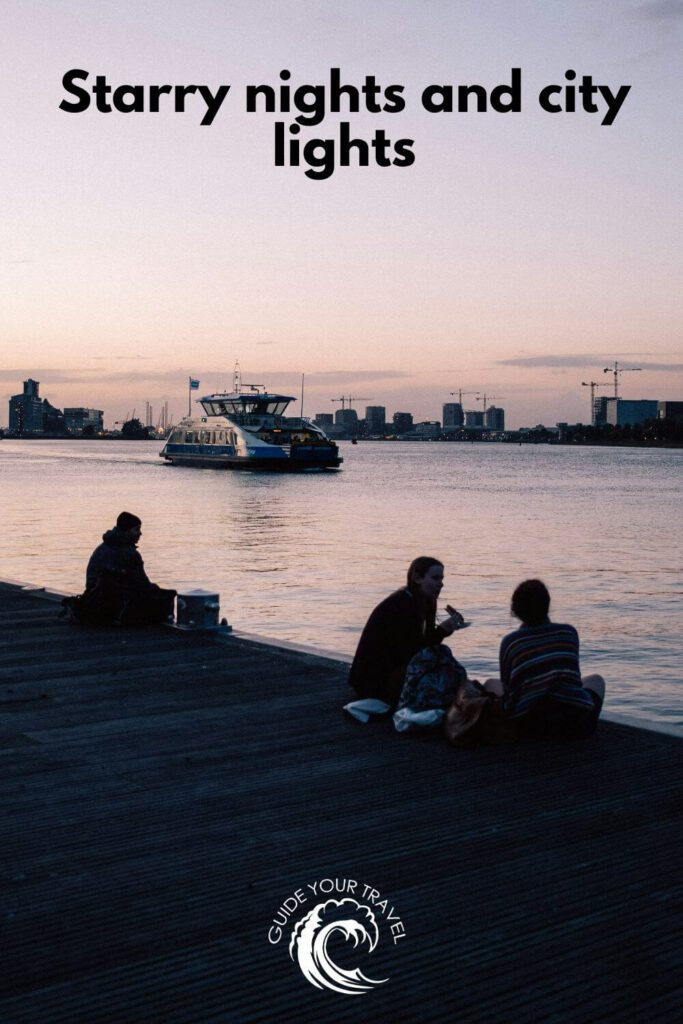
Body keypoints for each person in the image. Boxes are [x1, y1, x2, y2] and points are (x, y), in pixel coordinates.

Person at [489, 579, 605, 739]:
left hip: (528, 728)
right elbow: (574, 679)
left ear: (515, 610)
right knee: (596, 680)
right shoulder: (568, 633)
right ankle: (588, 728)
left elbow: (508, 687)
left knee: (491, 684)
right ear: (548, 605)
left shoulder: (511, 642)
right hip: (574, 723)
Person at [348, 556, 467, 709]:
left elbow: (424, 646)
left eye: (442, 578)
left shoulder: (425, 601)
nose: (441, 584)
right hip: (373, 681)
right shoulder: (402, 605)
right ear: (417, 578)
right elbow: (412, 651)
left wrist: (443, 631)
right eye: (435, 578)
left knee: (442, 657)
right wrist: (442, 631)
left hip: (391, 669)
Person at [72, 512, 176, 626]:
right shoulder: (130, 554)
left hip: (95, 598)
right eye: (137, 529)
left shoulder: (102, 547)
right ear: (127, 531)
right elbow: (142, 584)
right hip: (118, 603)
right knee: (165, 597)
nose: (140, 533)